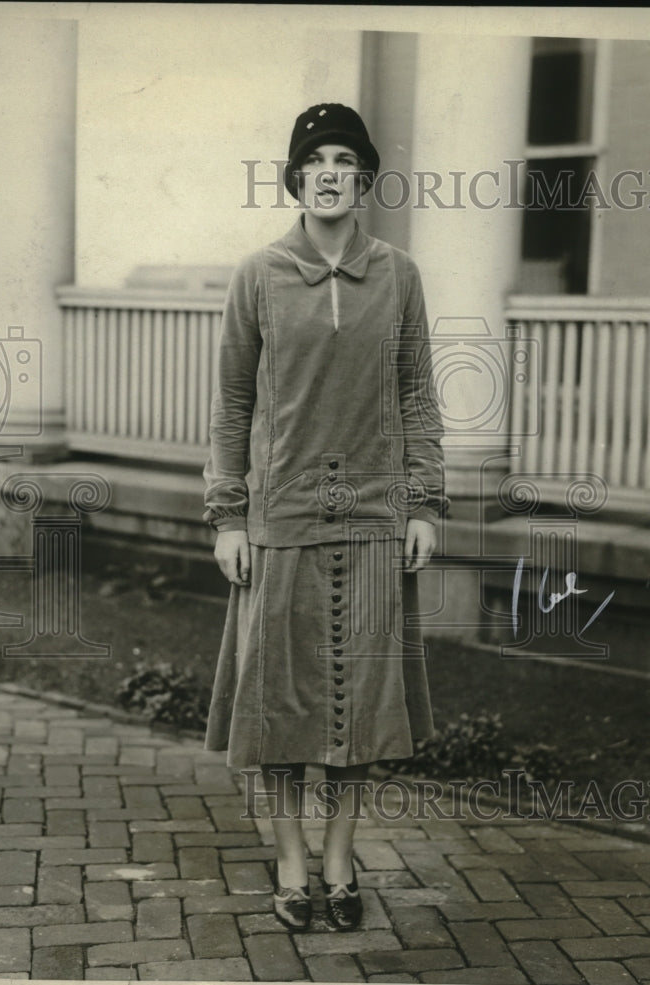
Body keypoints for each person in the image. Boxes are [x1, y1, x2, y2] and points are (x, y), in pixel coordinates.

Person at [202, 103, 448, 932]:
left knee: (360, 712)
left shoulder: (399, 275)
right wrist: (228, 516)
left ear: (364, 177)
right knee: (280, 706)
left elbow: (417, 393)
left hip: (376, 515)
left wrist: (422, 500)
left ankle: (341, 860)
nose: (333, 171)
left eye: (347, 158)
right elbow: (233, 405)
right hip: (282, 519)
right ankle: (292, 860)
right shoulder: (259, 274)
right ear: (297, 177)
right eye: (318, 158)